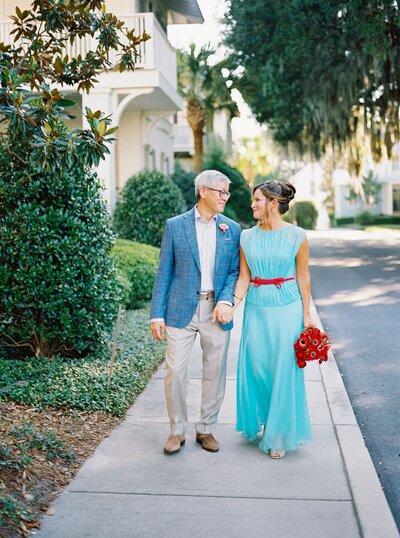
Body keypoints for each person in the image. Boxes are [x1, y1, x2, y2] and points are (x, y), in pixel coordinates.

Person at [150, 170, 241, 455]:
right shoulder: (175, 226)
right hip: (180, 311)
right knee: (175, 371)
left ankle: (206, 429)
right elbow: (164, 271)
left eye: (228, 192)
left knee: (214, 371)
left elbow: (234, 271)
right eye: (221, 192)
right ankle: (177, 432)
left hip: (216, 310)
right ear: (203, 191)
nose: (225, 197)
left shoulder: (231, 228)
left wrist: (226, 301)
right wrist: (157, 314)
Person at [230, 180, 314, 459]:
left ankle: (277, 433)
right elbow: (244, 276)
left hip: (287, 308)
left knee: (282, 370)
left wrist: (306, 315)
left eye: (257, 200)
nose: (252, 205)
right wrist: (232, 305)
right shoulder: (246, 237)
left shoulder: (297, 235)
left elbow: (303, 276)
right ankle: (266, 417)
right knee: (257, 368)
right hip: (256, 308)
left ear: (273, 203)